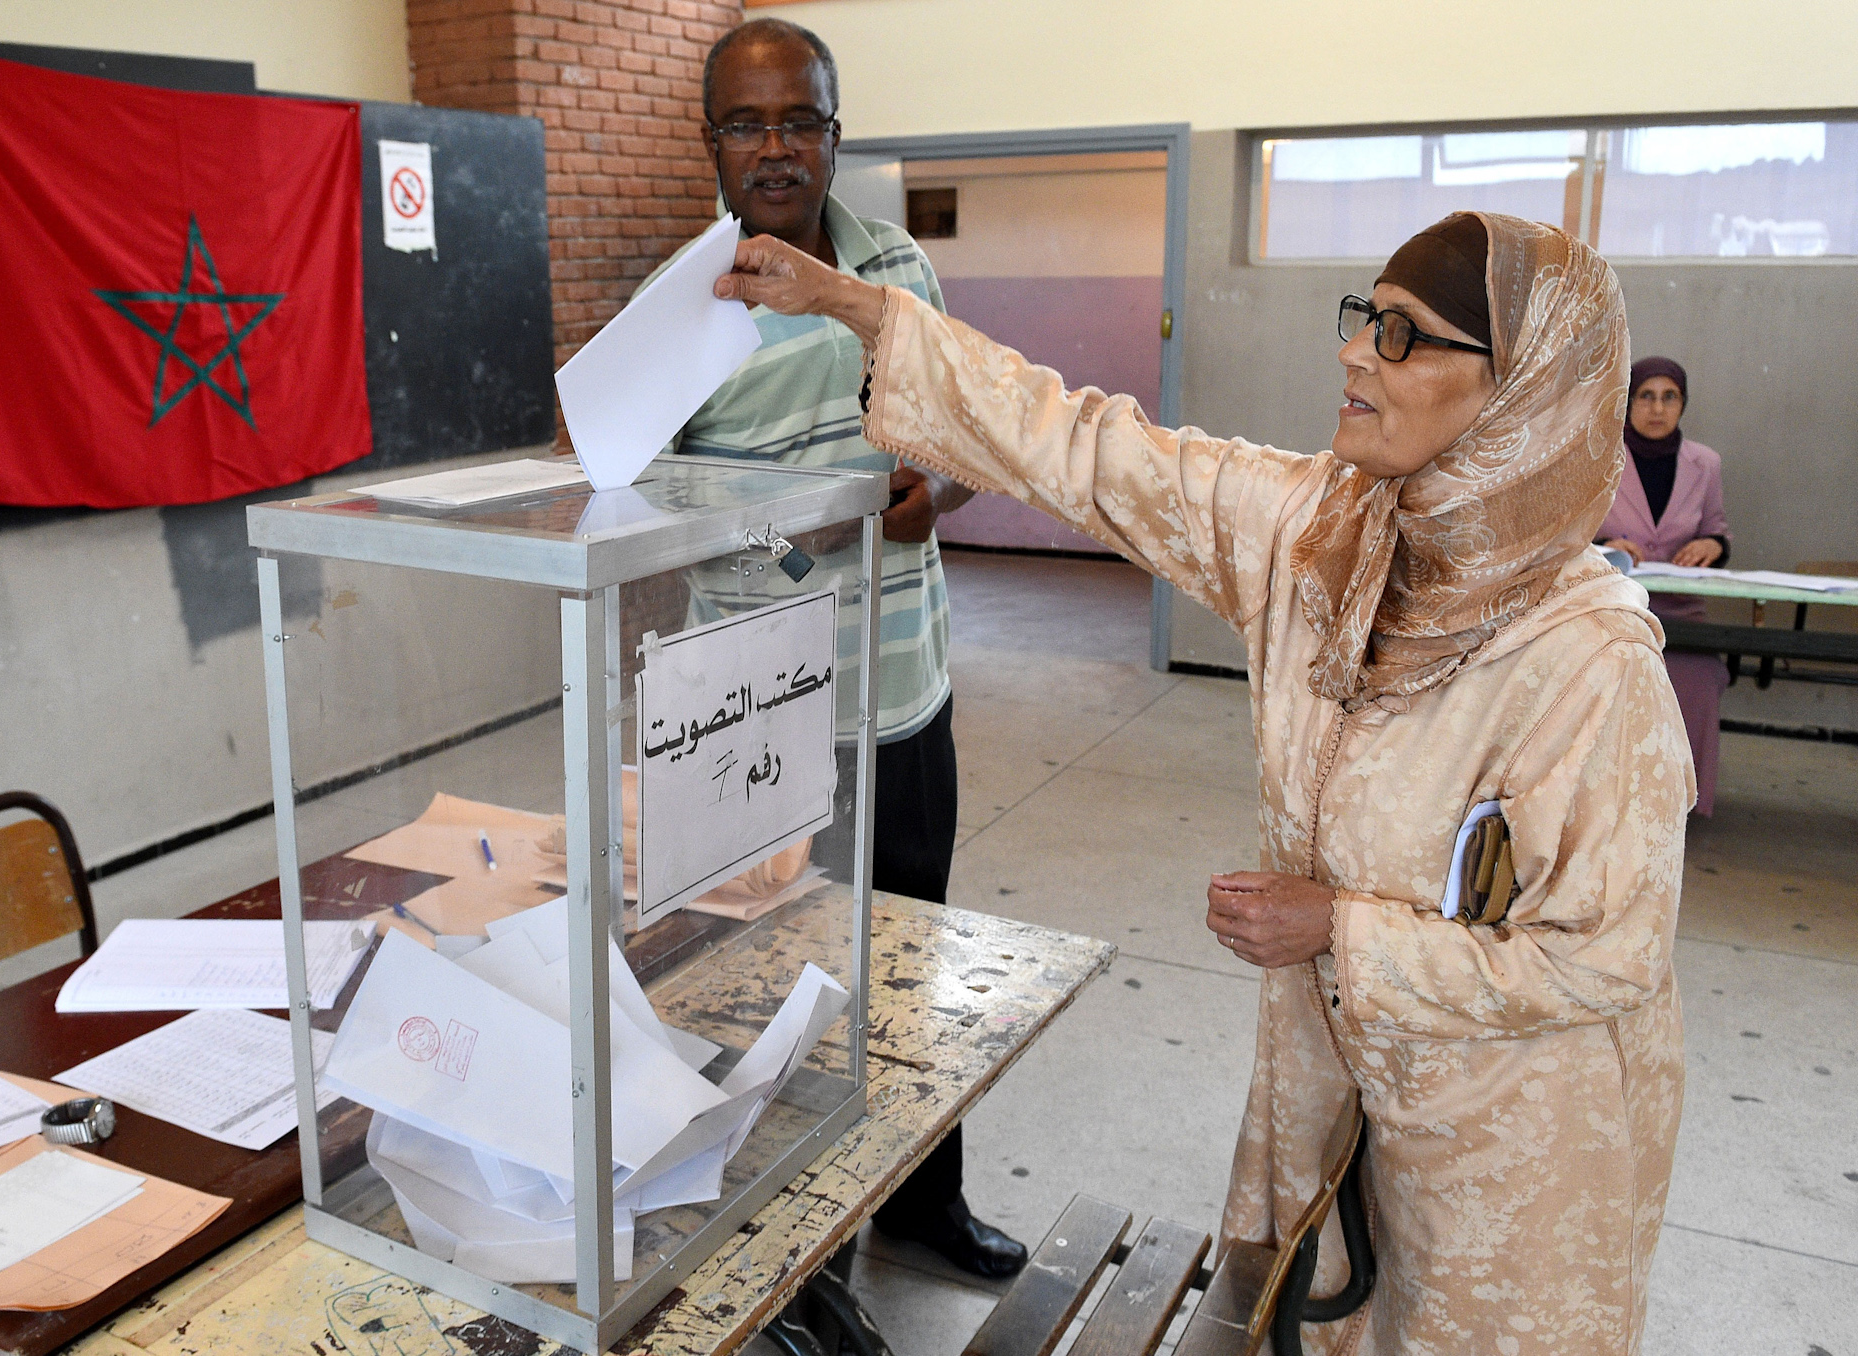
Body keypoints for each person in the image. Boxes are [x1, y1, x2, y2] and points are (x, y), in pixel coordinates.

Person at [716, 211, 1693, 1354]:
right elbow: (1088, 449)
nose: (1352, 353)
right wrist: (857, 306)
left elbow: (1603, 954)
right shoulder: (1323, 536)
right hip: (1340, 1092)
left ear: (1520, 393)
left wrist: (1341, 929)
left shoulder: (1587, 657)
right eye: (1359, 317)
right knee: (1314, 1320)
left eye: (1401, 334)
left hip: (1517, 1142)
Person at [641, 18, 1023, 1280]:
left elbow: (967, 443)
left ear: (833, 133)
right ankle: (792, 1264)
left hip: (901, 698)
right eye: (745, 124)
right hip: (747, 720)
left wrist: (937, 497)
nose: (774, 148)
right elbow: (629, 508)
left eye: (797, 120)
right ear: (710, 143)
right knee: (759, 990)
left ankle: (920, 1200)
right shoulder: (676, 306)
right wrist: (777, 525)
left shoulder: (898, 269)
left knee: (910, 963)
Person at [1597, 357, 1730, 815]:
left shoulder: (1705, 464)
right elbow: (1569, 527)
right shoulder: (1600, 454)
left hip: (1679, 612)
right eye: (1646, 396)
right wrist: (1602, 542)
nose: (1657, 408)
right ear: (1628, 401)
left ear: (1683, 404)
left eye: (1669, 397)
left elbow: (1717, 529)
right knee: (1615, 667)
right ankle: (1611, 799)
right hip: (1612, 607)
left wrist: (1711, 545)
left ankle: (1678, 802)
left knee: (1696, 675)